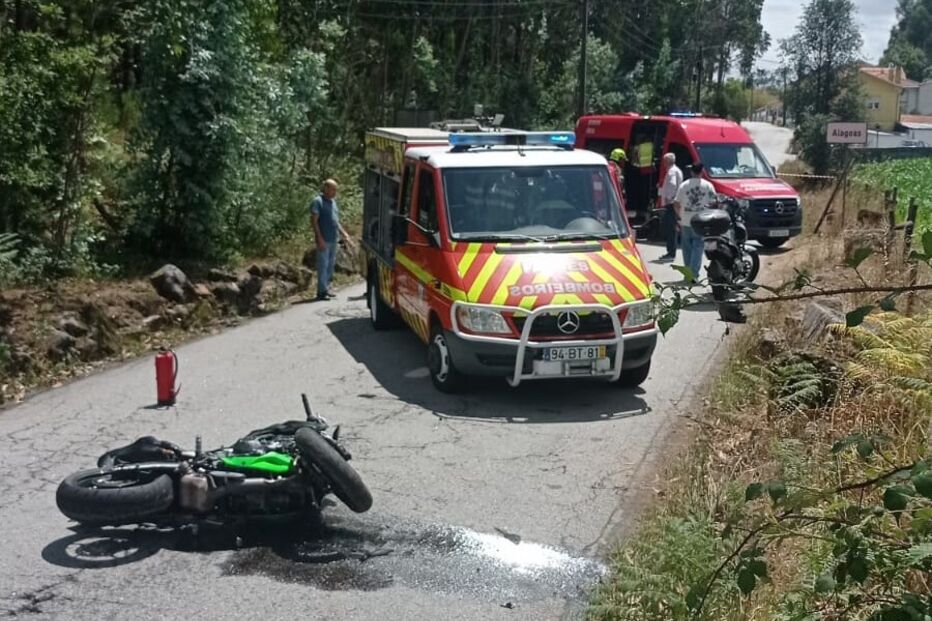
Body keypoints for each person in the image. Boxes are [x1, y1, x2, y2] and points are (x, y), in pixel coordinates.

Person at [673, 162, 717, 282]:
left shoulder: (684, 185)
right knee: (698, 247)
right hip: (701, 221)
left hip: (686, 220)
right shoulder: (708, 185)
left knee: (686, 248)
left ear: (691, 171)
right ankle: (693, 274)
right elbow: (714, 202)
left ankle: (688, 274)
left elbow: (676, 203)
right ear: (702, 171)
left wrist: (679, 216)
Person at [310, 178, 351, 301]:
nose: (335, 192)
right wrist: (319, 238)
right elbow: (314, 221)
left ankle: (327, 288)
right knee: (323, 265)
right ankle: (321, 292)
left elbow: (335, 221)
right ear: (326, 188)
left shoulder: (333, 202)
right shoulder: (318, 202)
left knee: (330, 265)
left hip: (334, 239)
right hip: (324, 239)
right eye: (333, 189)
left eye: (336, 189)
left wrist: (344, 234)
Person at [659, 153, 683, 260]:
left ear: (667, 161)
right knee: (673, 227)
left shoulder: (672, 171)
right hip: (675, 202)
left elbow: (672, 185)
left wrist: (669, 197)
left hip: (671, 203)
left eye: (664, 161)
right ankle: (671, 251)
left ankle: (670, 253)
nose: (663, 163)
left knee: (670, 228)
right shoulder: (677, 170)